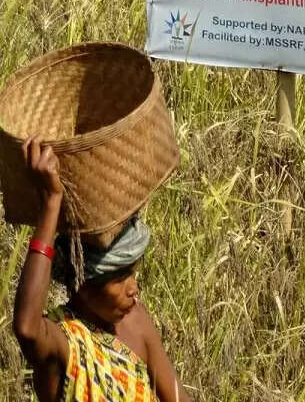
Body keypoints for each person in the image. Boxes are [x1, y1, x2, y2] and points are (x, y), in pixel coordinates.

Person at [12, 136, 190, 402]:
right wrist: (52, 203)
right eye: (118, 279)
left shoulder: (137, 321)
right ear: (82, 285)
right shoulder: (64, 343)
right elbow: (26, 328)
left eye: (131, 272)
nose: (133, 289)